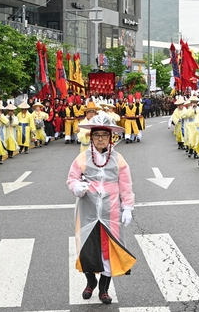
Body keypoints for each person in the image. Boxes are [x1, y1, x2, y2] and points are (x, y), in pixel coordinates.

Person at [67, 113, 136, 305]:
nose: (100, 139)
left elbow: (126, 185)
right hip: (87, 210)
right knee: (87, 249)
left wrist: (128, 207)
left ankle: (104, 289)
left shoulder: (118, 159)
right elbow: (72, 178)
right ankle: (90, 282)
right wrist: (76, 187)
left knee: (110, 251)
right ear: (91, 137)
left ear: (110, 138)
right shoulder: (82, 157)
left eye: (104, 136)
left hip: (111, 211)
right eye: (96, 135)